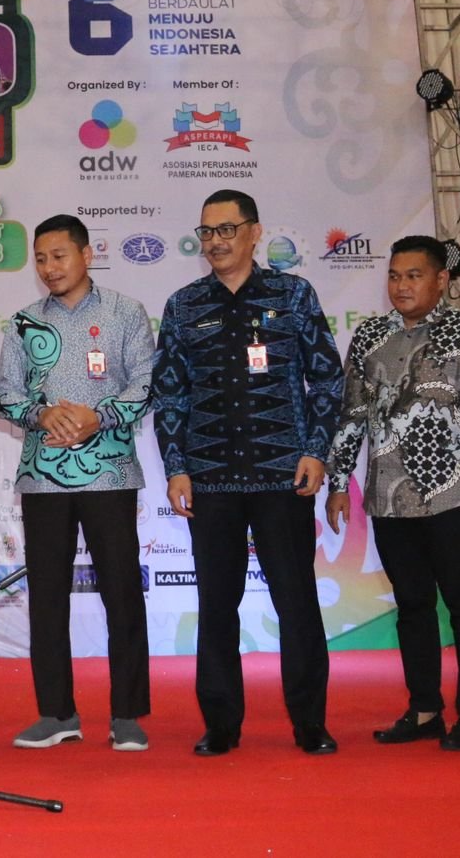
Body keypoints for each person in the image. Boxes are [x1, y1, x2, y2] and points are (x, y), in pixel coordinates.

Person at [152, 188, 343, 756]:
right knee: (216, 605)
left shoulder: (293, 294)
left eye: (226, 230)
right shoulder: (183, 305)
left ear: (255, 233)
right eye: (207, 232)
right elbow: (170, 393)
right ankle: (221, 724)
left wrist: (316, 450)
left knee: (297, 601)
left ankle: (310, 722)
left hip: (284, 475)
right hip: (210, 480)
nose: (215, 241)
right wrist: (176, 466)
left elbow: (326, 378)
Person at [325, 237, 460, 752]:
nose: (401, 286)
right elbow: (352, 414)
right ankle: (425, 708)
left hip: (454, 495)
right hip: (388, 498)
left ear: (441, 280)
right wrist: (338, 483)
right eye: (394, 276)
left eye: (413, 275)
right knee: (412, 605)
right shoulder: (370, 336)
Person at [0, 214, 155, 752]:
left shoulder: (126, 313)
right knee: (46, 598)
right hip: (43, 477)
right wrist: (42, 415)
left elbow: (145, 385)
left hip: (109, 472)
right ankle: (57, 713)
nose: (49, 268)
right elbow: (4, 393)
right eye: (40, 259)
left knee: (122, 592)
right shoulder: (23, 323)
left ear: (87, 255)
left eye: (59, 256)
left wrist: (97, 417)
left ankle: (126, 714)